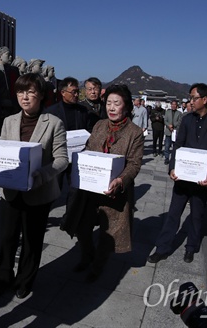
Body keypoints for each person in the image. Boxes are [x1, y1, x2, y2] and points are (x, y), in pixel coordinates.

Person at [0, 73, 68, 299]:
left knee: (32, 240)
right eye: (20, 92)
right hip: (11, 192)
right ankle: (2, 278)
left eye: (31, 92)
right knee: (7, 238)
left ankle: (25, 280)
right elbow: (1, 151)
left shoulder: (54, 123)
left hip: (39, 193)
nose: (25, 97)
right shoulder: (9, 121)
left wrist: (42, 175)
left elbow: (62, 158)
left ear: (41, 95)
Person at [64, 84, 143, 282]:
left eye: (117, 103)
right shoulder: (99, 125)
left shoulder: (134, 132)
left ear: (126, 106)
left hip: (115, 192)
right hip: (91, 189)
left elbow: (134, 164)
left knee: (108, 235)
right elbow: (89, 148)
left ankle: (97, 266)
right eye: (108, 103)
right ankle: (86, 255)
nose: (112, 107)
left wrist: (121, 180)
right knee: (83, 227)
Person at [148, 83, 207, 264]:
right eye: (190, 98)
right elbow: (178, 145)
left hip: (201, 180)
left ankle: (191, 247)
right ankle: (162, 248)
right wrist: (172, 168)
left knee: (197, 216)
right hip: (182, 178)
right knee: (173, 214)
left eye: (194, 98)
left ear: (204, 100)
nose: (191, 101)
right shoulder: (187, 120)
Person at [163, 100, 182, 165]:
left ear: (177, 106)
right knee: (167, 146)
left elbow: (179, 121)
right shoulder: (167, 112)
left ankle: (173, 158)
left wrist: (173, 125)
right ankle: (167, 158)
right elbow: (165, 120)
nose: (173, 106)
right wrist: (169, 126)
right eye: (172, 104)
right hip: (168, 131)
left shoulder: (179, 113)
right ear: (171, 105)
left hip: (175, 131)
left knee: (174, 146)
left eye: (175, 105)